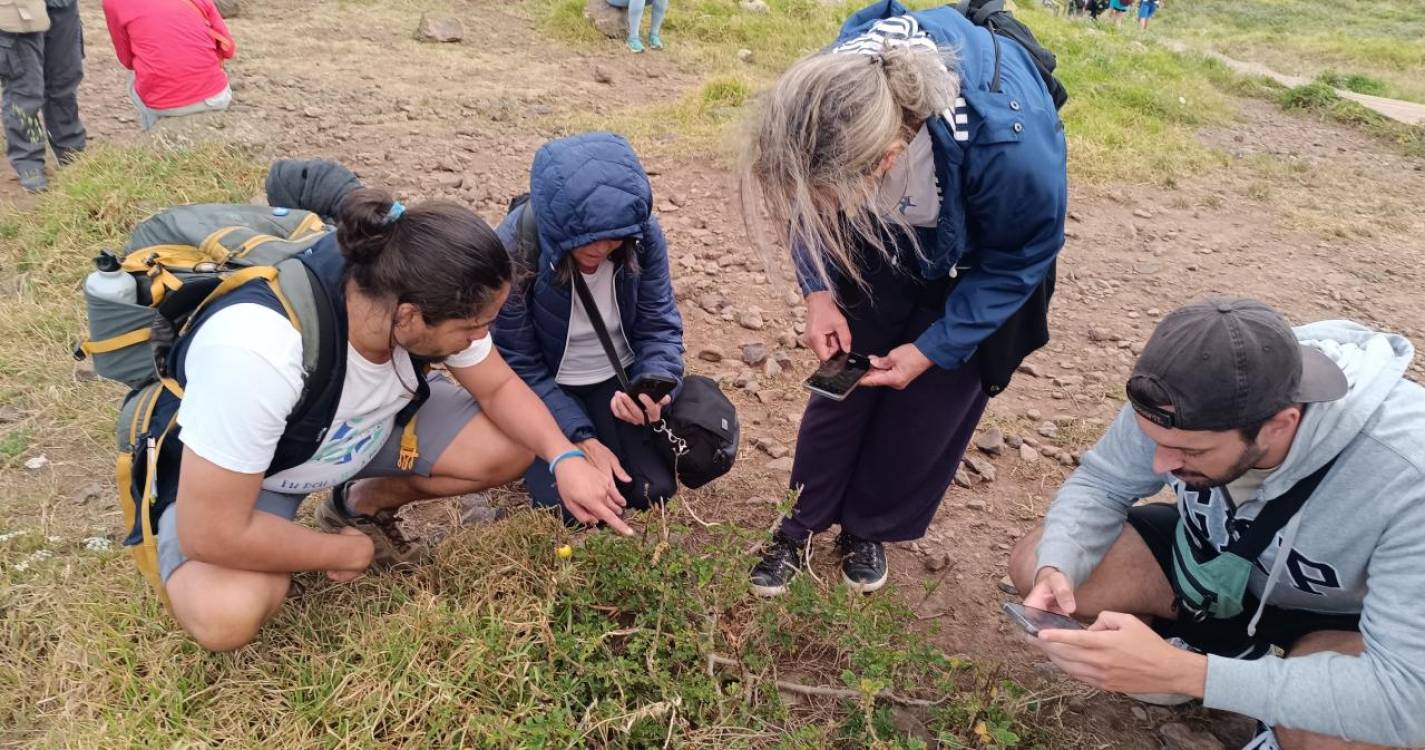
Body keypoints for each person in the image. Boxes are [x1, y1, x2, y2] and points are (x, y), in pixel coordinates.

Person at [156, 188, 636, 652]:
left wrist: (565, 456)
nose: (480, 340)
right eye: (471, 328)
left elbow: (500, 386)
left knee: (512, 444)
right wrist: (342, 552)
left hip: (348, 435)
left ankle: (357, 503)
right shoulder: (259, 351)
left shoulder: (410, 286)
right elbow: (212, 531)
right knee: (225, 614)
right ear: (407, 317)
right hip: (260, 473)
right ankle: (303, 534)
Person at [740, 1, 1067, 596]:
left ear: (889, 157)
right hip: (879, 241)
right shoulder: (832, 90)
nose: (818, 206)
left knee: (927, 405)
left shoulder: (1010, 148)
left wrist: (935, 347)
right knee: (843, 384)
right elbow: (804, 203)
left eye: (829, 194)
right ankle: (800, 522)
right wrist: (818, 291)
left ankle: (868, 529)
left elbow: (1021, 256)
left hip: (979, 262)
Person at [1008, 298, 1425, 750]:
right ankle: (1201, 659)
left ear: (1279, 426)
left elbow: (1407, 699)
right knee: (1041, 559)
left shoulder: (1408, 474)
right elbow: (1102, 482)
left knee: (1349, 732)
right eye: (1156, 440)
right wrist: (1059, 564)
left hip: (1338, 616)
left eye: (1192, 452)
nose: (1162, 463)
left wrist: (1192, 675)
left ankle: (1267, 708)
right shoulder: (1185, 394)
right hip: (1213, 566)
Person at [494, 132, 685, 518]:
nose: (601, 250)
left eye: (614, 239)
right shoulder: (516, 247)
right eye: (585, 242)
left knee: (652, 491)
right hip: (547, 382)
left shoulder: (642, 235)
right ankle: (536, 445)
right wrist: (580, 438)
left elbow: (659, 326)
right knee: (568, 509)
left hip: (616, 376)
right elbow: (517, 361)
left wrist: (654, 385)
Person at [102, 0, 236, 131]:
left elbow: (127, 60)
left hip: (162, 104)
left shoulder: (113, 2)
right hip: (215, 97)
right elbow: (229, 50)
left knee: (134, 77)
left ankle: (153, 133)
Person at [0, 0, 86, 193]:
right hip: (17, 9)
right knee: (24, 90)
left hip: (62, 6)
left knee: (64, 81)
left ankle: (70, 150)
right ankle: (28, 161)